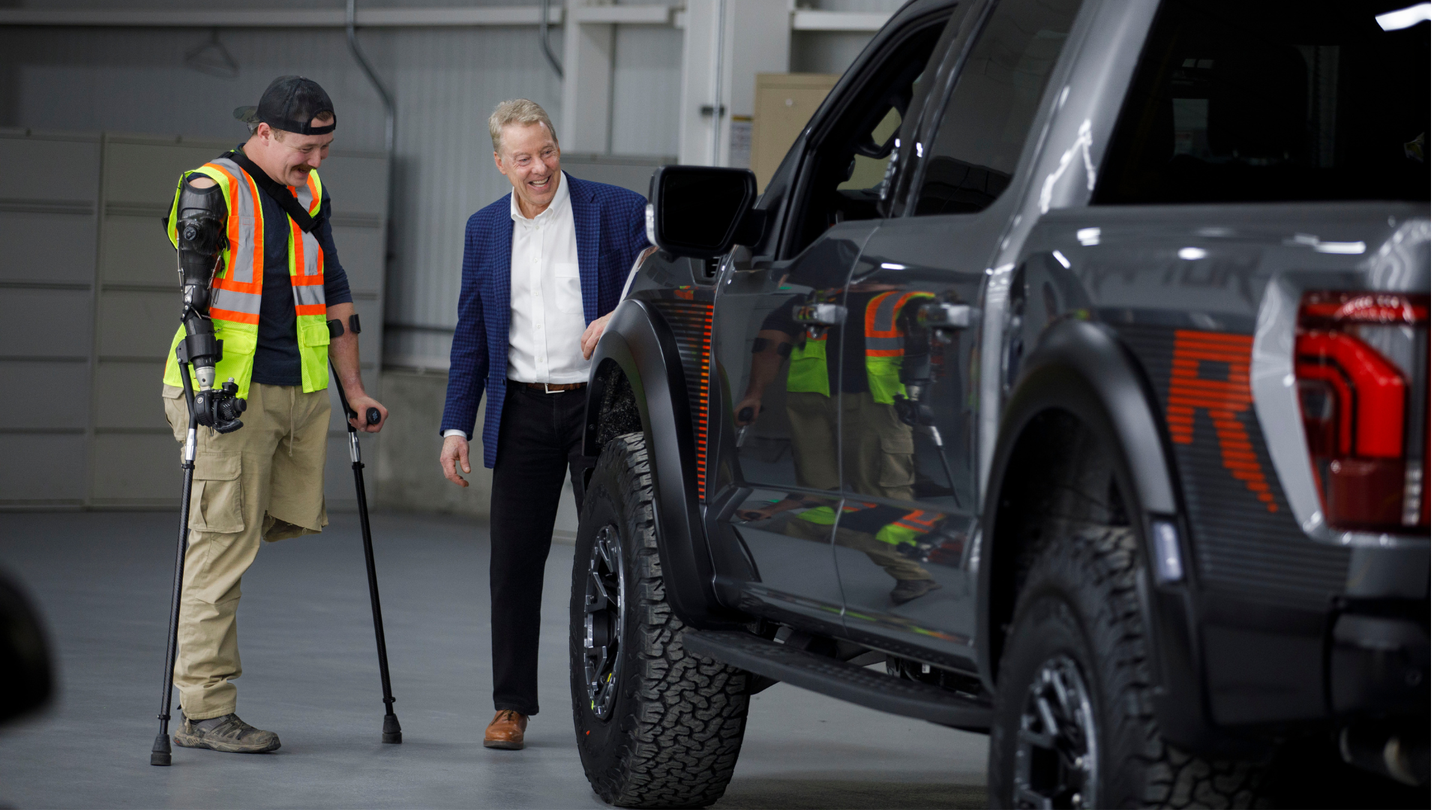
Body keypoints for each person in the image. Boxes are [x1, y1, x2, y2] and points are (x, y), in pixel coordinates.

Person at [160, 75, 387, 754]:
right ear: (263, 133)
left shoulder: (308, 191)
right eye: (305, 148)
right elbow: (194, 298)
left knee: (246, 537)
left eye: (326, 148)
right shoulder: (213, 188)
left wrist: (354, 391)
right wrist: (204, 389)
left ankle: (206, 701)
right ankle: (203, 712)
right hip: (228, 392)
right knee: (219, 547)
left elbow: (336, 293)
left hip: (299, 392)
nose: (316, 162)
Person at [438, 99, 648, 750]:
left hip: (600, 406)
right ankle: (512, 706)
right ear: (500, 162)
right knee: (514, 565)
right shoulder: (484, 230)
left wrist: (618, 312)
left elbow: (665, 264)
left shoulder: (611, 207)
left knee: (622, 564)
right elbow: (471, 332)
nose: (539, 168)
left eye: (548, 151)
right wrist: (455, 426)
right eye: (524, 158)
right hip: (524, 407)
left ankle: (625, 704)